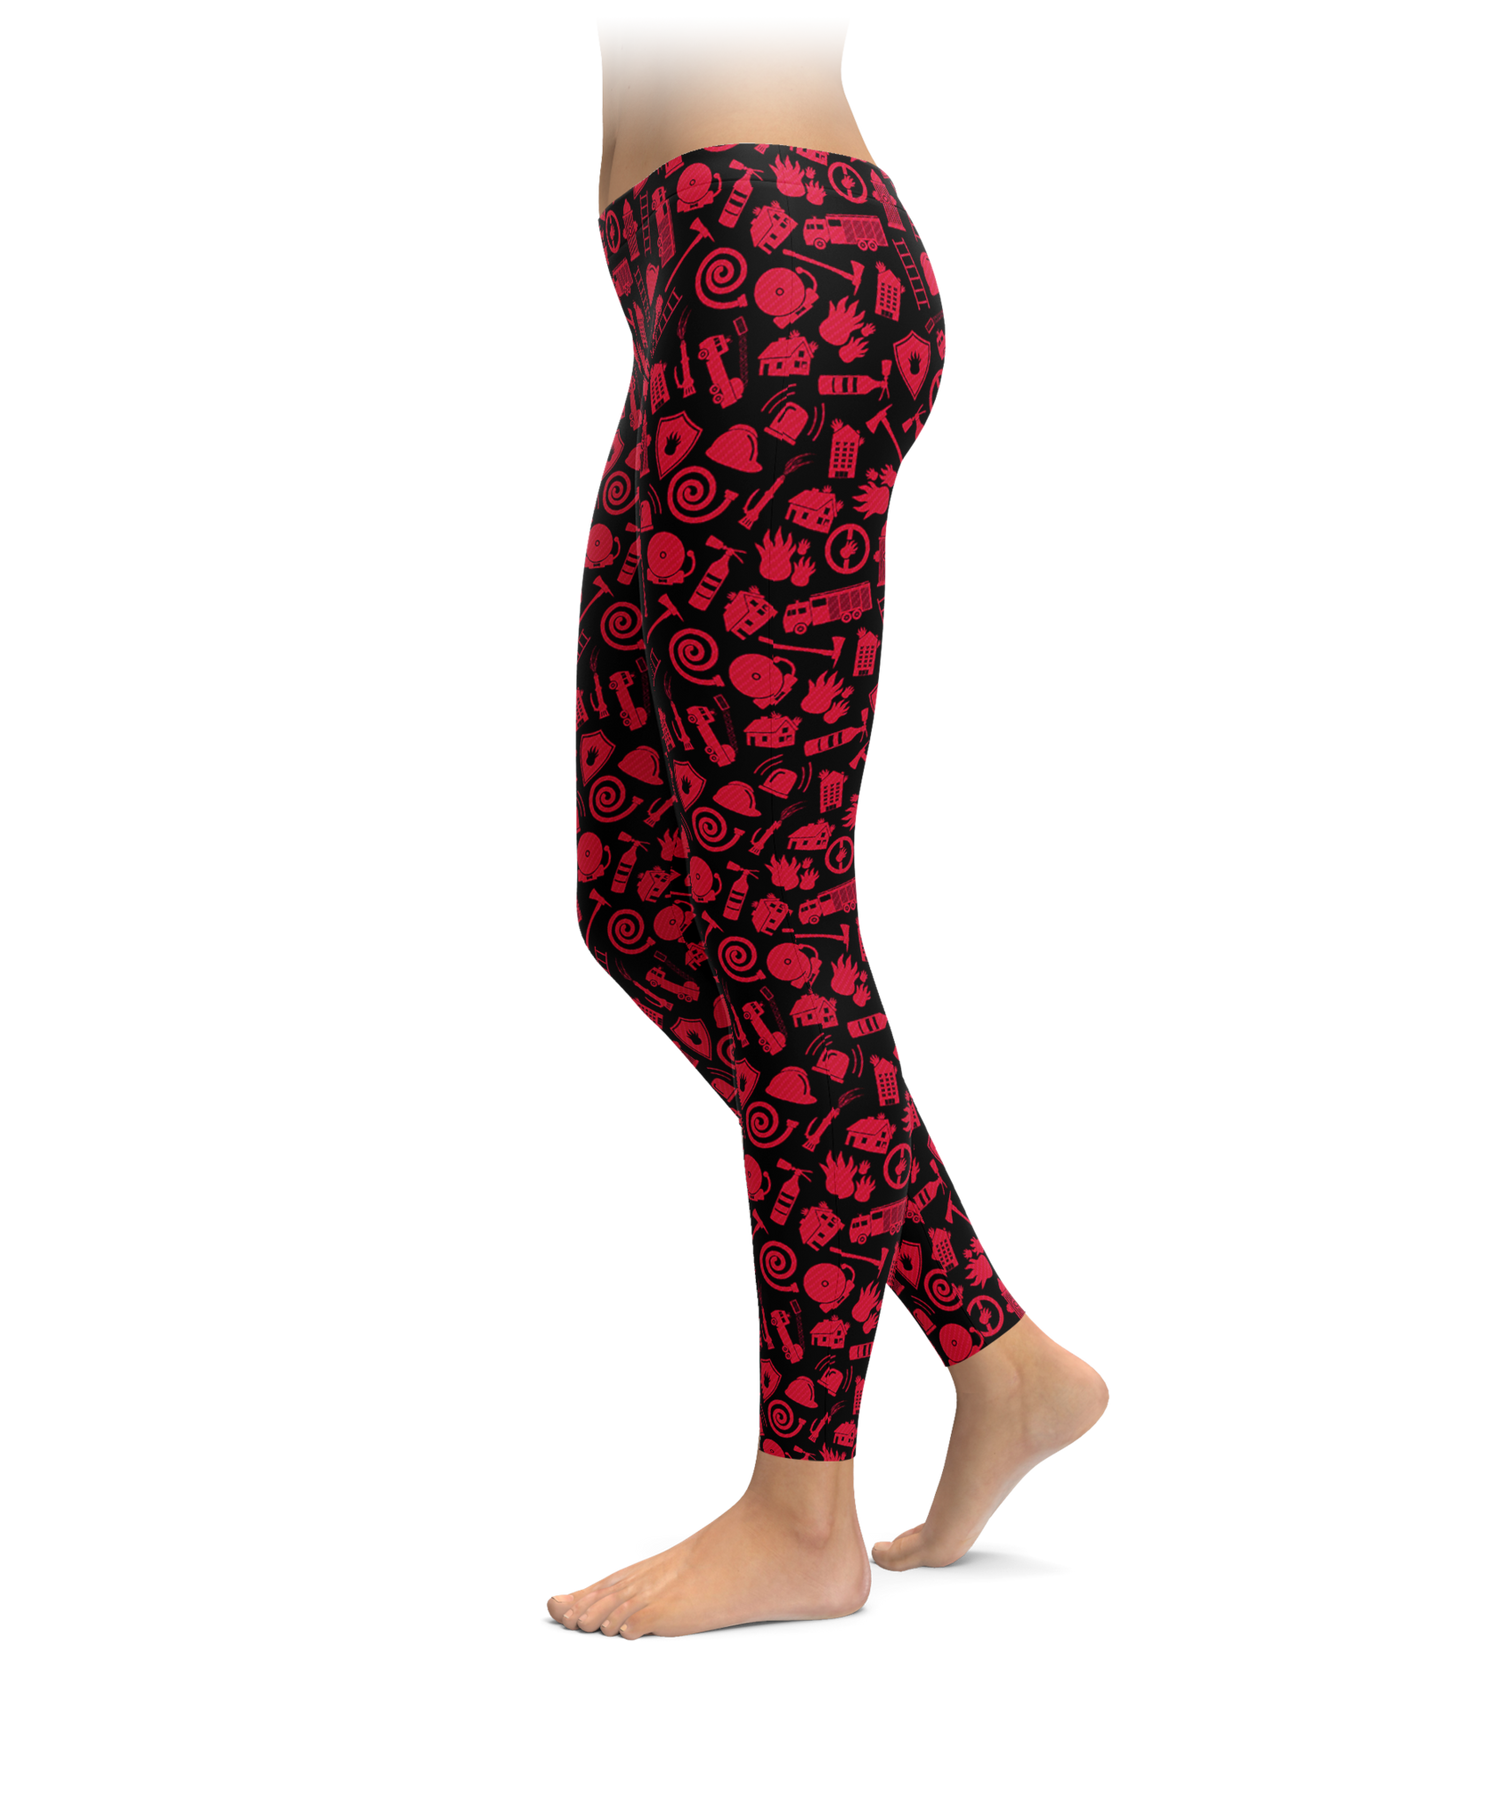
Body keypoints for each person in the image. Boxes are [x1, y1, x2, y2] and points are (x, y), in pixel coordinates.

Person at [557, 14, 1111, 1643]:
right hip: (696, 279)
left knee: (776, 921)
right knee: (637, 908)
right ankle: (998, 1353)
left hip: (772, 271)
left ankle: (805, 1507)